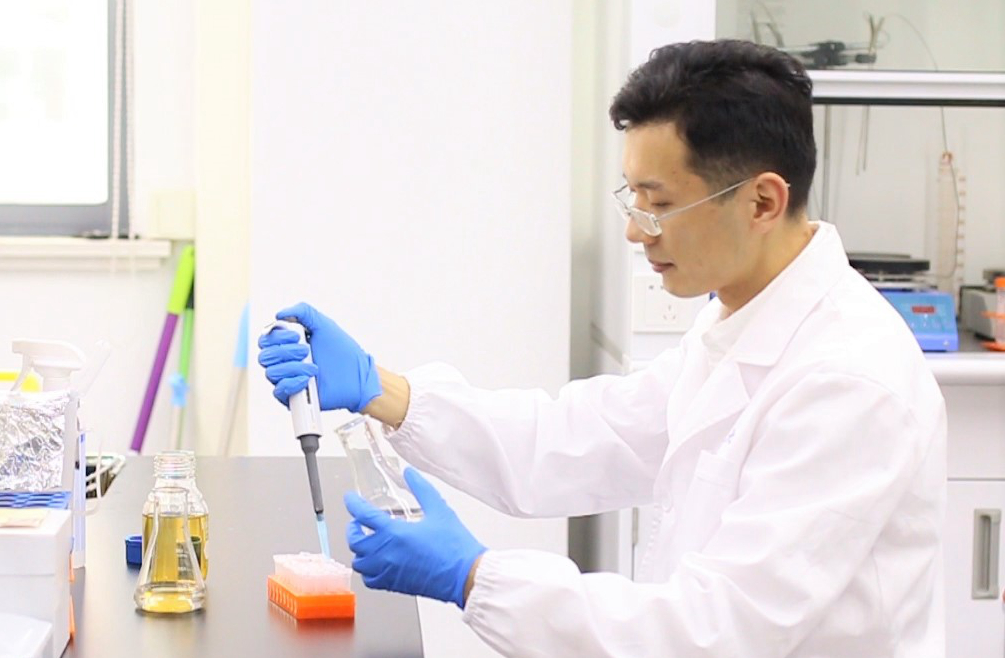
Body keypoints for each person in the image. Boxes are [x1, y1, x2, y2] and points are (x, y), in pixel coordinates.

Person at [257, 39, 946, 657]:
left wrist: (473, 577)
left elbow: (716, 631)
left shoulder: (850, 382)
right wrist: (384, 390)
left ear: (762, 202)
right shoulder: (739, 321)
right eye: (632, 198)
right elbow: (579, 438)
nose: (636, 232)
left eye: (660, 204)